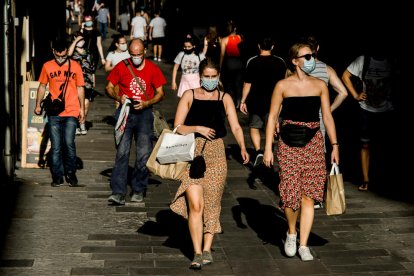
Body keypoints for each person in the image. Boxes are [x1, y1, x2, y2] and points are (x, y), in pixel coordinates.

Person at [170, 57, 249, 270]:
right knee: (195, 205)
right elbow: (177, 126)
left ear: (219, 77)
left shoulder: (225, 98)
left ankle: (207, 248)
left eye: (214, 77)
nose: (211, 80)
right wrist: (197, 128)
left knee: (212, 204)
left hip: (216, 154)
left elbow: (236, 126)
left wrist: (242, 146)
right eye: (207, 76)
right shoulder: (190, 95)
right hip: (192, 152)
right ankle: (196, 252)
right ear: (200, 76)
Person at [263, 42, 339, 261]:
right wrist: (268, 148)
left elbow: (327, 117)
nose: (311, 59)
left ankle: (304, 244)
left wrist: (334, 145)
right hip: (288, 142)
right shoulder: (282, 86)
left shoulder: (319, 85)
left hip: (314, 141)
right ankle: (291, 232)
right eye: (306, 56)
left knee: (309, 195)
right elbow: (271, 118)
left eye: (312, 55)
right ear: (294, 61)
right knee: (290, 194)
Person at [105, 38, 167, 205]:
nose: (135, 58)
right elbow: (108, 87)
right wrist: (119, 96)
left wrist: (147, 103)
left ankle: (138, 188)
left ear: (144, 52)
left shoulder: (153, 69)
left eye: (138, 54)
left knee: (144, 154)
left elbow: (161, 93)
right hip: (125, 112)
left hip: (145, 114)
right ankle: (118, 192)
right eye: (132, 55)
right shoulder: (122, 66)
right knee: (122, 152)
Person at [341, 40, 395, 192]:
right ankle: (366, 179)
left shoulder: (391, 61)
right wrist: (355, 95)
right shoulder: (363, 60)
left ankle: (381, 178)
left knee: (383, 145)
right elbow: (345, 76)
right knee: (365, 145)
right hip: (366, 110)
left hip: (386, 109)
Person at [34, 38, 85, 187]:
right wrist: (38, 104)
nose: (61, 59)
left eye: (64, 56)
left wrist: (82, 109)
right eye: (58, 56)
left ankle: (71, 173)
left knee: (69, 143)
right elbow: (42, 86)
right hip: (54, 112)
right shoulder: (47, 66)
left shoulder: (75, 66)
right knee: (56, 146)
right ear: (53, 52)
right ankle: (57, 176)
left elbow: (80, 87)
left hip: (72, 110)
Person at [304, 35, 348, 208]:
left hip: (299, 119)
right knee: (318, 156)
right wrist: (328, 109)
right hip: (320, 119)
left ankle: (304, 193)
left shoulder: (298, 68)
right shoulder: (326, 69)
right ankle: (315, 196)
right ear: (318, 48)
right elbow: (343, 92)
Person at [240, 36, 286, 167]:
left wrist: (243, 101)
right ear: (272, 47)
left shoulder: (252, 61)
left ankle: (259, 151)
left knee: (254, 126)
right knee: (270, 128)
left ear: (259, 46)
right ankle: (269, 151)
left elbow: (247, 84)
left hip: (255, 100)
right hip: (274, 101)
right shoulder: (280, 62)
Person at [68, 34, 97, 135]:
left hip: (87, 81)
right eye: (79, 39)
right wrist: (75, 42)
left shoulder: (87, 52)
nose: (82, 41)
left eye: (82, 39)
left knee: (85, 103)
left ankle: (82, 123)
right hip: (75, 81)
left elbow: (92, 67)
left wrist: (93, 80)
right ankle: (75, 124)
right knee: (76, 103)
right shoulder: (72, 51)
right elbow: (68, 54)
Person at [220, 20, 244, 107]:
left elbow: (222, 54)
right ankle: (239, 103)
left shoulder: (224, 40)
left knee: (229, 84)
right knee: (238, 84)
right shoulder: (240, 37)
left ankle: (231, 102)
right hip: (239, 62)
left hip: (229, 63)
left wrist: (220, 66)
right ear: (235, 28)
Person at [104, 34, 131, 109]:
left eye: (125, 43)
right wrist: (117, 66)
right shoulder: (112, 54)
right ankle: (118, 117)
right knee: (118, 101)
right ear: (117, 44)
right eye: (122, 43)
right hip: (117, 82)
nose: (125, 45)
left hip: (128, 80)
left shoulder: (129, 53)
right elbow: (106, 68)